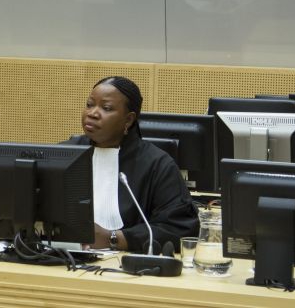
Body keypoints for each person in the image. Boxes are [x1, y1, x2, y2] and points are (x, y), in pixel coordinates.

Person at [64, 76, 198, 253]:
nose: (93, 113)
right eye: (89, 104)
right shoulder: (64, 156)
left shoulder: (157, 164)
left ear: (128, 120)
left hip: (126, 265)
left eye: (106, 108)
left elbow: (179, 228)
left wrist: (114, 239)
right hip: (62, 257)